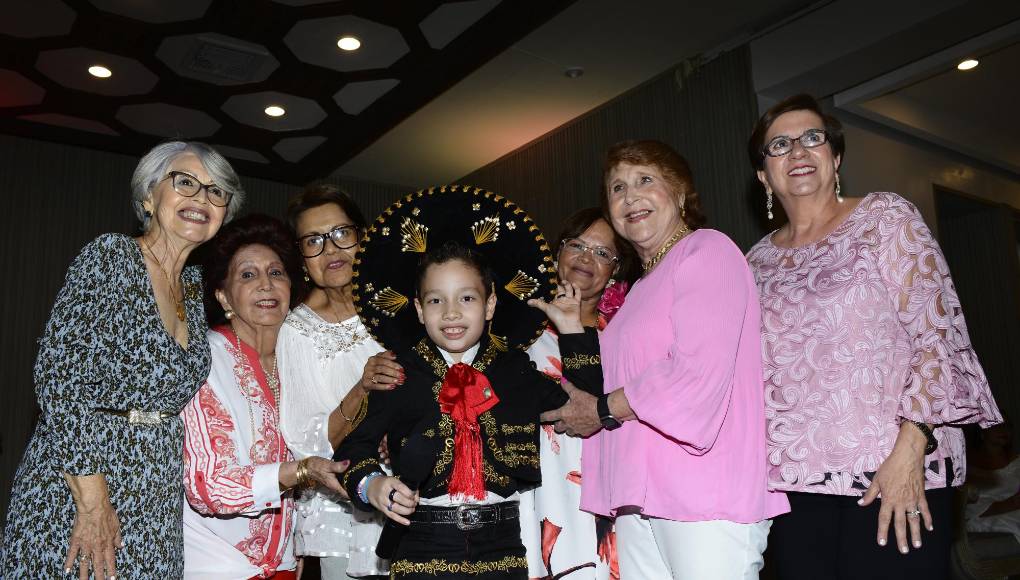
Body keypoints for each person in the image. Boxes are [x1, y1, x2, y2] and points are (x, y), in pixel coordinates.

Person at [744, 94, 1002, 579]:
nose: (798, 151)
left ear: (835, 158)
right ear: (763, 174)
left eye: (812, 138)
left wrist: (910, 452)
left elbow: (937, 337)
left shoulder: (885, 219)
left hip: (892, 473)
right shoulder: (753, 262)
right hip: (792, 488)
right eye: (779, 145)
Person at [544, 140, 789, 579]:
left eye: (644, 180)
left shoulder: (707, 250)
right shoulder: (639, 288)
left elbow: (695, 375)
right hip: (642, 498)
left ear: (679, 193)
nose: (629, 196)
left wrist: (601, 410)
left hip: (704, 493)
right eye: (617, 188)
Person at [0, 142, 243, 578]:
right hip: (81, 482)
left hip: (156, 494)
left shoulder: (191, 284)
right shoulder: (112, 257)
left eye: (216, 192)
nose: (201, 199)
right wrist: (93, 503)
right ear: (149, 197)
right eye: (184, 183)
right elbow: (59, 382)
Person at [335, 186, 603, 579]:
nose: (451, 313)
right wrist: (372, 486)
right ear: (419, 310)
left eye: (467, 299)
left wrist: (571, 330)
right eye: (436, 301)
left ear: (490, 304)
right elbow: (351, 447)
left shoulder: (516, 371)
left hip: (502, 546)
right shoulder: (400, 373)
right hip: (421, 545)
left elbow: (585, 404)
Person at [182, 214, 351, 579]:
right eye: (248, 275)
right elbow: (209, 485)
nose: (265, 285)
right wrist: (302, 471)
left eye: (276, 273)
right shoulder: (204, 360)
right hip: (215, 566)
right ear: (223, 295)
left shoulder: (299, 364)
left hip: (285, 565)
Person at [277, 184, 398, 579]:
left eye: (341, 234)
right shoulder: (297, 330)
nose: (330, 250)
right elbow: (306, 442)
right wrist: (362, 388)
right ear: (302, 258)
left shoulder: (398, 306)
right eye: (314, 241)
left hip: (416, 487)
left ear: (362, 238)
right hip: (345, 510)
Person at [518, 207, 638, 580]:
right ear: (556, 253)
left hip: (606, 480)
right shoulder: (519, 329)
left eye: (603, 253)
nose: (587, 258)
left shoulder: (624, 334)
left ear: (615, 270)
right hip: (536, 481)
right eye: (578, 245)